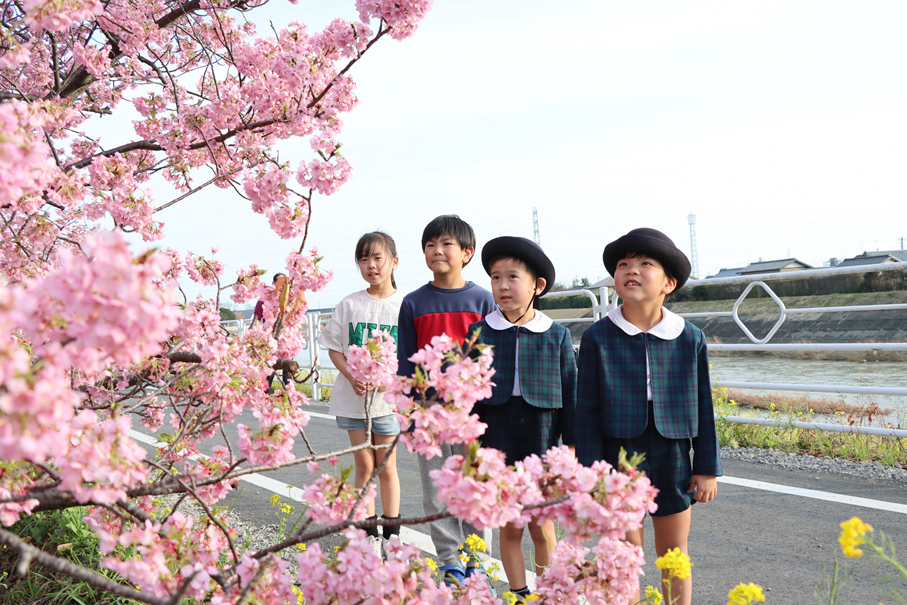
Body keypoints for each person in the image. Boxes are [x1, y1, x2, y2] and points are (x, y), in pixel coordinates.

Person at [571, 228, 722, 605]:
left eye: (644, 264)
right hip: (615, 453)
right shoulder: (597, 337)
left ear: (669, 282)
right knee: (623, 554)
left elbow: (704, 404)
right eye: (623, 264)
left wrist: (705, 467)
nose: (631, 270)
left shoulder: (690, 337)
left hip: (673, 452)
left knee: (673, 553)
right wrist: (590, 471)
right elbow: (585, 410)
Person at [467, 236, 576, 603]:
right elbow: (467, 393)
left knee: (543, 525)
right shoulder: (480, 331)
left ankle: (550, 593)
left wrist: (572, 446)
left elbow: (571, 394)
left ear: (537, 286)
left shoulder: (557, 335)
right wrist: (470, 447)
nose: (502, 286)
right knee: (509, 524)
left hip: (542, 436)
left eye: (512, 277)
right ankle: (519, 593)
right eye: (495, 278)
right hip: (495, 436)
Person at [396, 215, 497, 587]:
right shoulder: (413, 302)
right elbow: (405, 360)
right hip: (429, 413)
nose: (437, 251)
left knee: (474, 486)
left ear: (467, 252)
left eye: (446, 244)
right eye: (430, 245)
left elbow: (492, 359)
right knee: (436, 491)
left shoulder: (483, 300)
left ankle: (477, 559)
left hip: (474, 413)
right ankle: (450, 560)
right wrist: (410, 413)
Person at [318, 232, 404, 557]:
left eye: (378, 258)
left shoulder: (403, 306)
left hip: (388, 401)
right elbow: (333, 348)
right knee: (364, 465)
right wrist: (352, 374)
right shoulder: (350, 304)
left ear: (394, 262)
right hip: (354, 399)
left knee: (388, 465)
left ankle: (392, 533)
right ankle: (368, 532)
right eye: (364, 259)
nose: (371, 265)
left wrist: (389, 379)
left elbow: (410, 355)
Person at [254, 273, 306, 391]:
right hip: (271, 339)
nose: (282, 286)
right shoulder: (264, 299)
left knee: (287, 370)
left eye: (285, 283)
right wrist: (257, 336)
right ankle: (265, 394)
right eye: (279, 283)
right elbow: (257, 319)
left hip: (288, 340)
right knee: (269, 370)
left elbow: (298, 315)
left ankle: (288, 396)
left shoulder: (291, 297)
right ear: (273, 284)